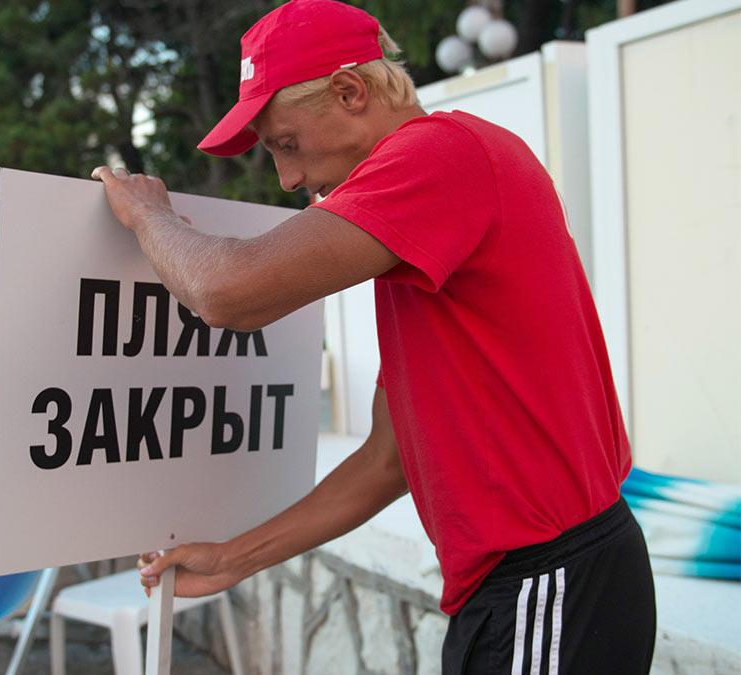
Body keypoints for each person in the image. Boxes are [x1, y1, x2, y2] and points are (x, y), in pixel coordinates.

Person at [91, 2, 654, 673]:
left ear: (350, 92)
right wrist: (232, 556)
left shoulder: (437, 156)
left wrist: (149, 216)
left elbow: (226, 291)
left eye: (286, 144)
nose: (289, 180)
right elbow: (390, 458)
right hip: (541, 586)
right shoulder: (425, 222)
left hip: (548, 582)